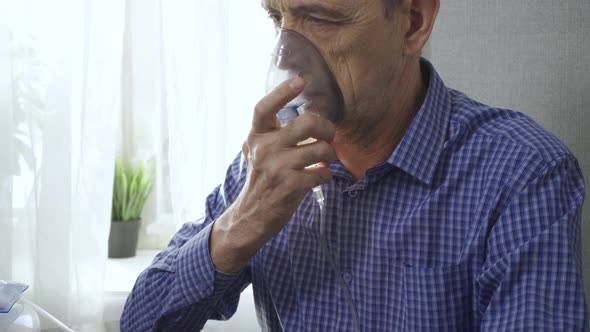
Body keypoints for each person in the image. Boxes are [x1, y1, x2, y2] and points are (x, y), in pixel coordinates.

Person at [120, 0, 589, 330]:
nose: (287, 60)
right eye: (277, 18)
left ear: (413, 22)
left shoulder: (521, 175)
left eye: (321, 19)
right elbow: (138, 322)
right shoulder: (270, 168)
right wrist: (238, 226)